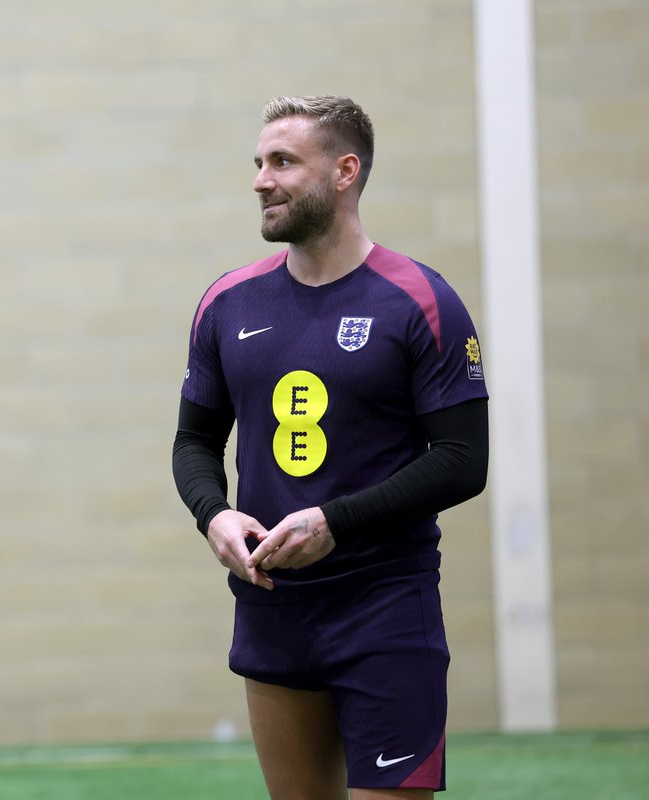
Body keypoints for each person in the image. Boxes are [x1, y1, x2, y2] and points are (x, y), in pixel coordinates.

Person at [172, 95, 488, 799]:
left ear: (345, 172)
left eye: (282, 161)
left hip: (385, 609)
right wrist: (213, 514)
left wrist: (333, 522)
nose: (260, 179)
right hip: (272, 608)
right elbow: (195, 440)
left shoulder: (420, 301)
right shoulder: (226, 303)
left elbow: (464, 461)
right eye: (258, 162)